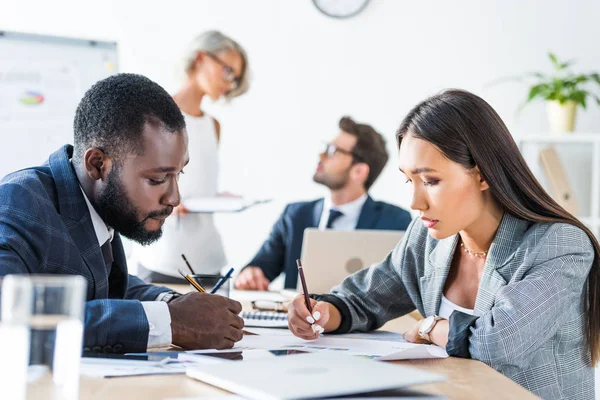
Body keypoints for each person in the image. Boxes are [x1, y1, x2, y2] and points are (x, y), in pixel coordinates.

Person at [287, 90, 600, 400]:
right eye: (410, 181)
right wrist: (325, 312)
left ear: (482, 175)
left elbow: (496, 343)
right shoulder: (429, 237)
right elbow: (365, 299)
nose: (415, 202)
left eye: (430, 181)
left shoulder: (559, 245)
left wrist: (429, 327)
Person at [0, 74, 244, 354]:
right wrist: (172, 322)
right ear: (98, 164)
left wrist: (176, 305)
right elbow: (12, 320)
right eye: (157, 179)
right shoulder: (16, 204)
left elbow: (107, 290)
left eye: (179, 174)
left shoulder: (92, 203)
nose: (175, 198)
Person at [235, 117, 412, 290]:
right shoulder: (295, 215)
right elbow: (261, 266)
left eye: (333, 151)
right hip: (299, 317)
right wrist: (250, 274)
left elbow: (403, 286)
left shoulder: (395, 221)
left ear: (358, 171)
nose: (321, 155)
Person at [133, 30, 250, 283]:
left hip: (208, 260)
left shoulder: (213, 125)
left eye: (235, 78)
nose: (229, 84)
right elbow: (136, 181)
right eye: (227, 71)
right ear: (200, 59)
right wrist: (160, 203)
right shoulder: (155, 116)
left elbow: (194, 181)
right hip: (165, 258)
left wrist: (216, 198)